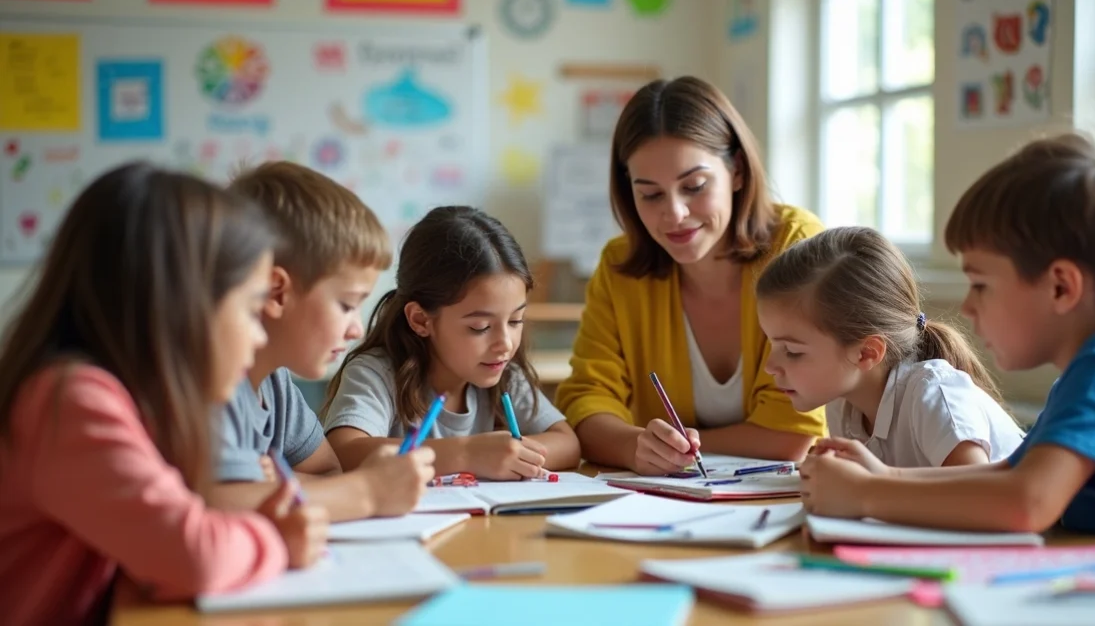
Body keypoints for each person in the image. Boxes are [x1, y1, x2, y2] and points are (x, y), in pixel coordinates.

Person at [800, 133, 1095, 565]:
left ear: (1061, 286)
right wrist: (886, 475)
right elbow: (1010, 473)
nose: (967, 306)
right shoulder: (1094, 371)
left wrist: (867, 494)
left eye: (981, 284)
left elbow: (1027, 503)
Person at [0, 163, 328, 624]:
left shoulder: (128, 399)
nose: (258, 338)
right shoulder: (71, 400)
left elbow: (168, 548)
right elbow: (196, 557)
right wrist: (273, 537)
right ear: (184, 306)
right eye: (252, 310)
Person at [554, 75, 826, 475]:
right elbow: (587, 402)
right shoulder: (619, 266)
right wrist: (635, 446)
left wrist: (660, 448)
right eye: (650, 194)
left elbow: (791, 435)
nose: (675, 213)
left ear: (736, 171)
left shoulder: (797, 244)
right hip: (662, 502)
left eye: (694, 186)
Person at [206, 161, 436, 521]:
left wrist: (275, 489)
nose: (357, 329)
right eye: (346, 305)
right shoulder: (215, 382)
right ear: (277, 292)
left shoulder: (274, 382)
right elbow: (219, 506)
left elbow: (329, 470)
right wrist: (368, 492)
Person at [323, 206, 581, 479]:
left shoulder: (504, 375)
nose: (505, 344)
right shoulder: (377, 373)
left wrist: (511, 456)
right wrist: (466, 454)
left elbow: (568, 443)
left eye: (516, 321)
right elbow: (344, 452)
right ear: (421, 320)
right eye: (479, 327)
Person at [756, 226, 1024, 469]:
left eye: (792, 351)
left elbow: (976, 500)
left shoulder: (932, 396)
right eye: (771, 343)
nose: (769, 366)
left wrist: (871, 487)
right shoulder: (842, 404)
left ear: (866, 353)